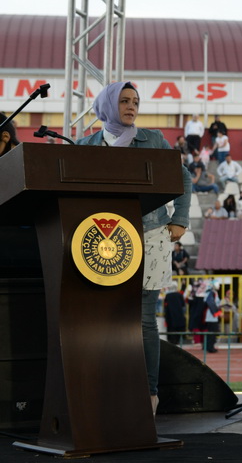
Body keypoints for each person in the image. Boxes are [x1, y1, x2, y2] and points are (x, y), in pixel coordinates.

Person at [75, 81, 192, 414]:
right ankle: (106, 390)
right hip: (103, 239)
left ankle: (149, 395)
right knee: (104, 316)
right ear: (108, 105)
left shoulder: (152, 140)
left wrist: (180, 218)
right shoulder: (85, 146)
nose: (131, 107)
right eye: (124, 101)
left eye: (135, 102)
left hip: (150, 234)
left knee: (144, 319)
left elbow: (183, 177)